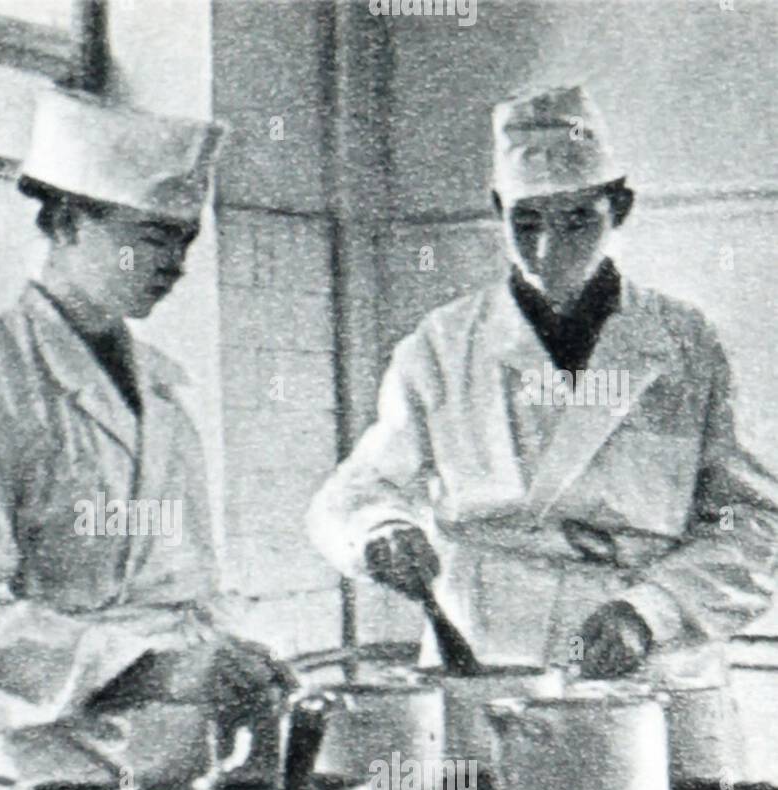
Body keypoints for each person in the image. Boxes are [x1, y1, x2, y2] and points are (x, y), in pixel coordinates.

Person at [0, 90, 293, 790]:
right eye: (152, 236)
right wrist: (151, 670)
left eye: (185, 241)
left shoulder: (163, 390)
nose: (175, 264)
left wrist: (230, 657)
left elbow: (182, 583)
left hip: (151, 769)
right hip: (5, 773)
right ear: (67, 223)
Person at [307, 85, 778, 691]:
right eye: (525, 223)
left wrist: (652, 612)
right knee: (474, 786)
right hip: (488, 646)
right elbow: (355, 491)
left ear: (621, 206)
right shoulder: (444, 344)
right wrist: (380, 530)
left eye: (578, 219)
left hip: (649, 654)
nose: (549, 250)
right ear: (496, 209)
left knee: (652, 786)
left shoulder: (686, 342)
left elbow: (756, 524)